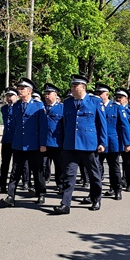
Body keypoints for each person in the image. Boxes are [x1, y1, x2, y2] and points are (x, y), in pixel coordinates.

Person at [52, 74, 106, 215]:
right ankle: (65, 204)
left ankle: (96, 198)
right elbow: (65, 124)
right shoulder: (68, 102)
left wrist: (102, 142)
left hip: (88, 144)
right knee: (69, 175)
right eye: (72, 86)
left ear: (83, 87)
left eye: (75, 86)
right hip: (70, 144)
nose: (72, 88)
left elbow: (101, 124)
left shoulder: (95, 101)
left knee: (93, 174)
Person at [3, 77, 47, 207]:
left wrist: (42, 144)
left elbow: (43, 127)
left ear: (29, 91)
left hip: (34, 145)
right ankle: (11, 196)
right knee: (15, 171)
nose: (19, 90)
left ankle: (41, 194)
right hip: (19, 144)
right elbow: (16, 125)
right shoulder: (16, 106)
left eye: (22, 88)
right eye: (19, 88)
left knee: (37, 171)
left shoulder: (38, 105)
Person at [97, 86, 130, 201]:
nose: (99, 95)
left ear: (107, 94)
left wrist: (127, 143)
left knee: (114, 168)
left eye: (101, 93)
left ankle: (117, 189)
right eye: (98, 93)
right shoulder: (96, 106)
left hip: (112, 143)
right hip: (98, 143)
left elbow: (125, 126)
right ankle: (95, 192)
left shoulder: (116, 107)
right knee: (96, 168)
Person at [42, 83, 64, 195]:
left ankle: (60, 185)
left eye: (49, 93)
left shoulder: (62, 108)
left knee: (59, 166)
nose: (46, 96)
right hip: (44, 142)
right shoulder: (41, 108)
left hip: (57, 143)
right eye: (45, 94)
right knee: (43, 165)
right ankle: (41, 187)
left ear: (55, 95)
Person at [0, 87, 17, 193]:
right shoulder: (4, 108)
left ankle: (12, 186)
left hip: (16, 139)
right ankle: (2, 185)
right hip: (6, 139)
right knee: (4, 163)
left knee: (16, 165)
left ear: (16, 96)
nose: (9, 98)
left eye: (11, 96)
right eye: (8, 96)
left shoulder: (18, 107)